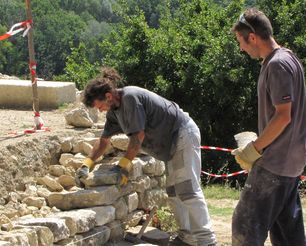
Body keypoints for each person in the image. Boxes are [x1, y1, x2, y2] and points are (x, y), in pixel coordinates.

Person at [75, 67, 217, 246]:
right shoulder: (114, 113)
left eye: (100, 106)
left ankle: (207, 241)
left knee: (187, 189)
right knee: (173, 192)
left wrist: (123, 165)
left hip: (181, 134)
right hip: (168, 144)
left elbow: (138, 137)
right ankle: (187, 238)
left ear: (108, 96)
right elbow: (103, 141)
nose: (101, 110)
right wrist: (86, 164)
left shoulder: (131, 98)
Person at [230, 8, 306, 246]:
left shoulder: (277, 65)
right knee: (287, 236)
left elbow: (283, 116)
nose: (241, 49)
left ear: (252, 37)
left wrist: (254, 149)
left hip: (275, 164)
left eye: (241, 42)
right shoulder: (288, 58)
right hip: (290, 164)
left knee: (244, 226)